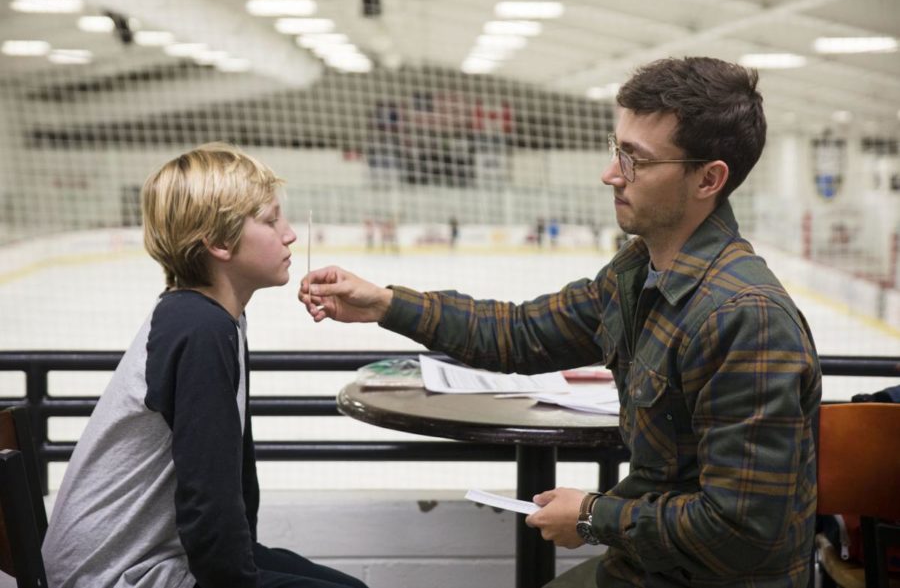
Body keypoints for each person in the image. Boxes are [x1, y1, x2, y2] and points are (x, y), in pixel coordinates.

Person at [299, 57, 821, 587]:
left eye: (635, 160)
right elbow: (519, 335)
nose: (611, 173)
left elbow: (743, 531)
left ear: (709, 179)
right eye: (616, 149)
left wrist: (596, 516)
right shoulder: (636, 272)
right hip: (646, 569)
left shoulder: (745, 320)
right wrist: (384, 303)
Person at [43, 143, 368, 588]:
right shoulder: (200, 328)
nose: (290, 234)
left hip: (156, 558)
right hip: (117, 576)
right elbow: (208, 501)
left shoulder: (216, 318)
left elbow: (229, 483)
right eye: (271, 220)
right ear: (217, 242)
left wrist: (247, 558)